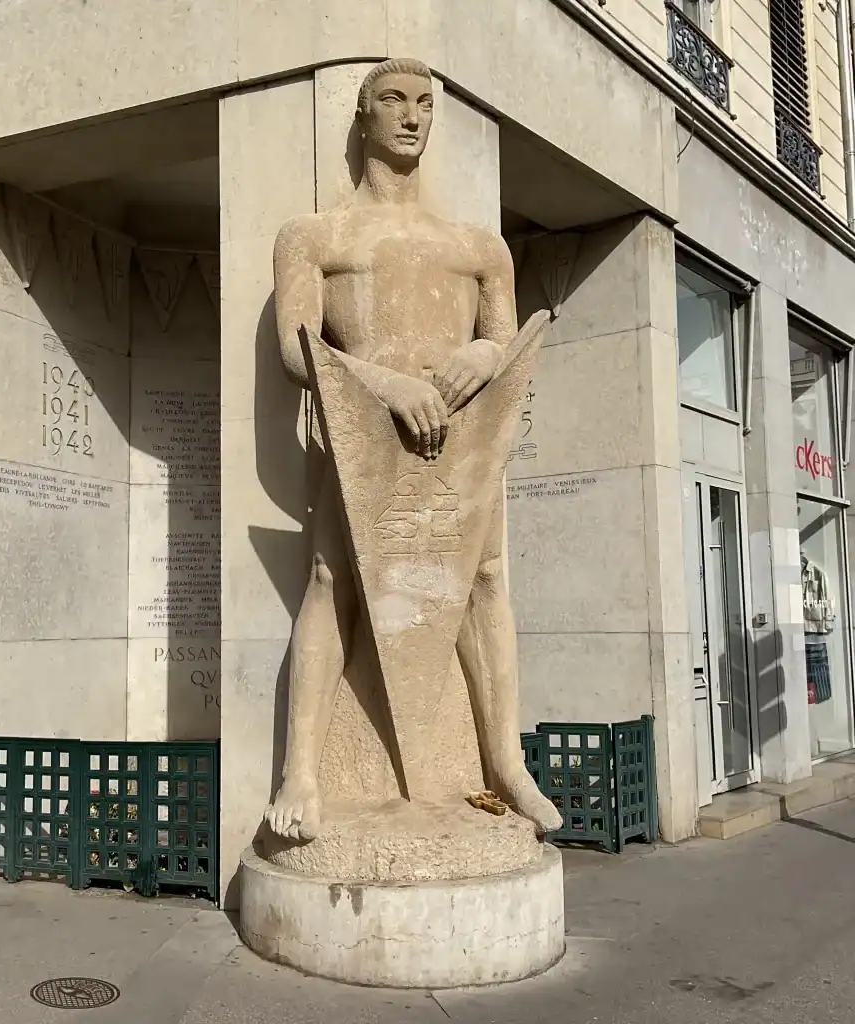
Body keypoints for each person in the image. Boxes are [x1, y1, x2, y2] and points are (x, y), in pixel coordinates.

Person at [266, 58, 562, 840]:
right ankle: (301, 770)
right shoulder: (316, 235)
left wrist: (486, 356)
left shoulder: (477, 246)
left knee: (487, 580)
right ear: (363, 117)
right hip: (366, 439)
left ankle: (507, 763)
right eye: (393, 100)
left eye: (425, 103)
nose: (411, 115)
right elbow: (297, 349)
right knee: (332, 580)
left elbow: (503, 335)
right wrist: (384, 384)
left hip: (458, 445)